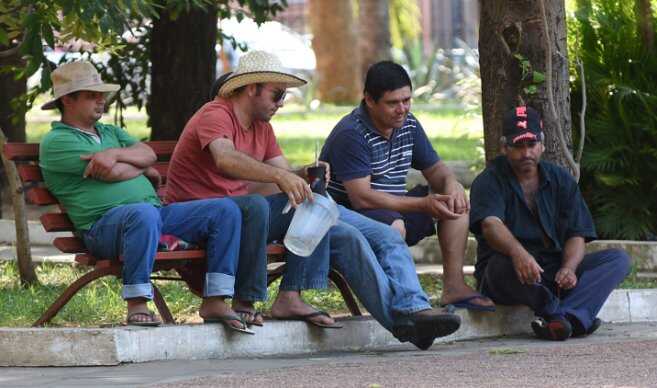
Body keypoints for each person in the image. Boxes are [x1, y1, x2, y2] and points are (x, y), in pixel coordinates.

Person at [165, 50, 461, 349]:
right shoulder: (216, 113)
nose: (281, 103)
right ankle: (290, 295)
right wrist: (283, 178)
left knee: (348, 234)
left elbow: (281, 177)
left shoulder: (262, 127)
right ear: (252, 87)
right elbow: (225, 159)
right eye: (277, 94)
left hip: (246, 215)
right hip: (203, 219)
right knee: (317, 211)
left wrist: (303, 174)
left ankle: (407, 322)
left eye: (284, 96)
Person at [39, 61, 257, 334]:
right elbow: (112, 174)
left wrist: (115, 154)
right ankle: (138, 303)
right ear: (68, 100)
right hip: (103, 228)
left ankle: (215, 299)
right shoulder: (57, 142)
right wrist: (140, 168)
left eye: (102, 94)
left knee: (224, 210)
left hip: (153, 215)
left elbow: (148, 154)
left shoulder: (110, 132)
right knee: (142, 213)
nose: (101, 100)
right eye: (92, 95)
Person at [320, 61, 495, 312]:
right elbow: (362, 199)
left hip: (392, 205)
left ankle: (454, 287)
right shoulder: (351, 134)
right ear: (369, 100)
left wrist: (452, 184)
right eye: (393, 103)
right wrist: (423, 204)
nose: (402, 109)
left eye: (407, 100)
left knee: (455, 206)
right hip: (351, 215)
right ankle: (398, 302)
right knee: (394, 226)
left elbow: (436, 170)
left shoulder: (408, 124)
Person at [469, 105, 631, 340]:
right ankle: (569, 316)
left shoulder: (560, 178)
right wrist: (518, 254)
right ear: (504, 148)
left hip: (552, 270)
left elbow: (577, 232)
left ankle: (562, 318)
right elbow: (490, 225)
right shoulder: (488, 180)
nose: (526, 153)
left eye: (531, 145)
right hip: (510, 272)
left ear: (542, 145)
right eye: (518, 146)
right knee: (497, 267)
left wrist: (568, 268)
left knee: (617, 260)